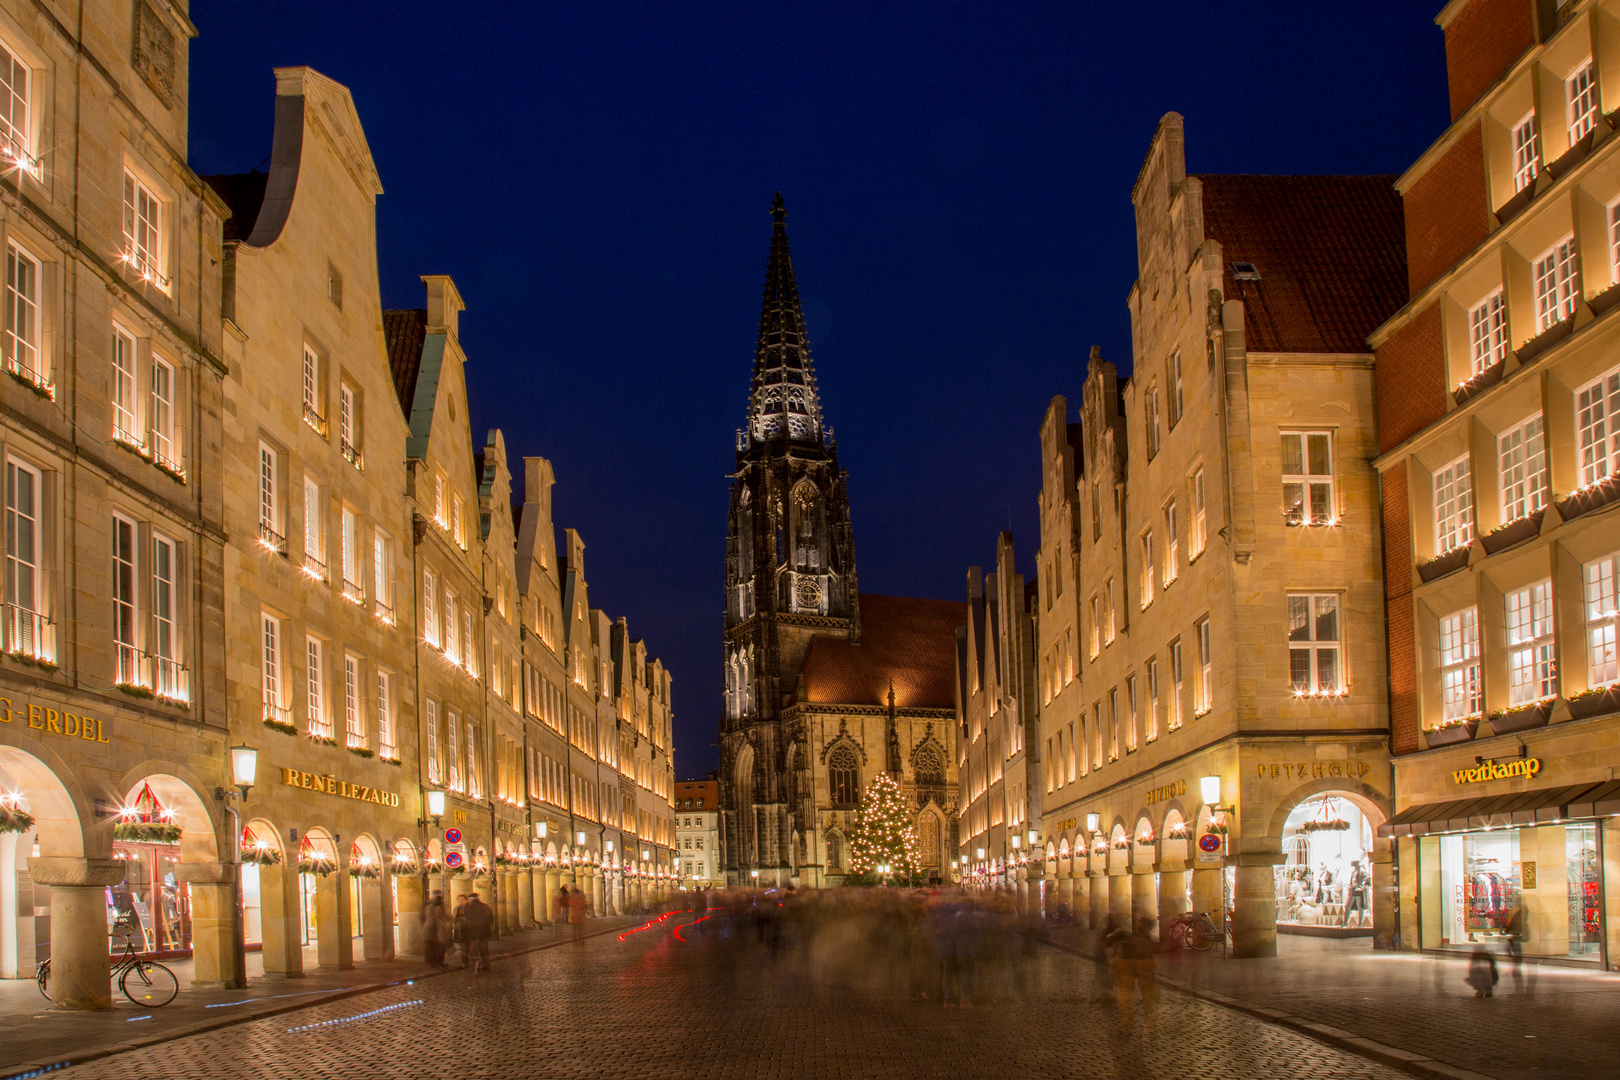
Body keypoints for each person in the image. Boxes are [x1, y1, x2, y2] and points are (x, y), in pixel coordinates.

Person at [1104, 916, 1159, 1032]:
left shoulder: (1125, 930)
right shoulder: (1137, 931)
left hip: (1128, 963)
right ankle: (1151, 1025)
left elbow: (1108, 940)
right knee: (1147, 996)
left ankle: (1128, 1026)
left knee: (1127, 996)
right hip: (1140, 963)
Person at [463, 890, 495, 973]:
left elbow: (466, 921)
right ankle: (486, 965)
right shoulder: (485, 906)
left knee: (474, 950)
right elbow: (491, 919)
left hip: (473, 932)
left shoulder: (468, 908)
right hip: (484, 932)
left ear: (470, 899)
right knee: (484, 949)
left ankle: (474, 966)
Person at [422, 890, 451, 969]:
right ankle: (437, 963)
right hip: (437, 931)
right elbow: (443, 919)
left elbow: (423, 917)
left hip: (429, 930)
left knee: (432, 947)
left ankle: (433, 963)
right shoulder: (440, 908)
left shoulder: (428, 906)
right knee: (439, 948)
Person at [1341, 860, 1371, 928]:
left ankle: (1360, 923)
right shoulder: (1354, 871)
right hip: (1352, 890)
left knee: (1360, 907)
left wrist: (1361, 888)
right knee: (1347, 906)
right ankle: (1345, 922)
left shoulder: (1362, 871)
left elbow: (1368, 879)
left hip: (1358, 890)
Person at [452, 894, 470, 968]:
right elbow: (453, 919)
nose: (461, 901)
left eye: (462, 900)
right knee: (463, 948)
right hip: (460, 931)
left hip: (468, 931)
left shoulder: (469, 908)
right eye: (459, 900)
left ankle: (472, 962)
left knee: (469, 948)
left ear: (466, 900)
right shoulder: (456, 908)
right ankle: (465, 963)